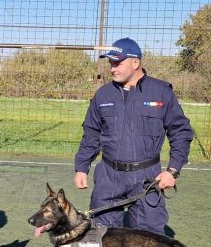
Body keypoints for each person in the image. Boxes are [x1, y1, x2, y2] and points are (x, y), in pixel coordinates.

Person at [74, 38, 193, 235]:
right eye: (111, 63)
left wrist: (172, 171)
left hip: (147, 176)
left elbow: (181, 132)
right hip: (109, 176)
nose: (112, 68)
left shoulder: (161, 92)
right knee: (103, 239)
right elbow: (91, 133)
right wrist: (81, 167)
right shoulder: (102, 95)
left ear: (135, 63)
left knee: (150, 240)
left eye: (117, 63)